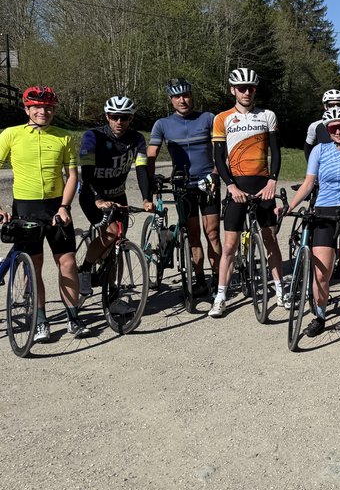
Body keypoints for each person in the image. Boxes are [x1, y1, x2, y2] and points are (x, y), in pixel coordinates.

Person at [0, 86, 81, 340]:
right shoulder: (10, 135)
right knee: (34, 266)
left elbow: (72, 176)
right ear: (27, 109)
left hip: (56, 207)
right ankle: (41, 320)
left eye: (48, 107)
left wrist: (65, 206)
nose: (43, 111)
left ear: (53, 110)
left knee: (67, 263)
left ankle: (73, 317)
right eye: (37, 107)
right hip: (25, 208)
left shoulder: (64, 137)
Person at [284, 108, 340, 336]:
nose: (339, 131)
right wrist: (289, 206)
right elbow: (308, 184)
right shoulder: (319, 151)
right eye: (334, 128)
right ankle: (320, 315)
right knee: (321, 271)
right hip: (324, 211)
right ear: (328, 130)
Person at [210, 68, 285, 318]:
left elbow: (275, 152)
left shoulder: (267, 115)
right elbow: (219, 157)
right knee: (230, 245)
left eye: (250, 88)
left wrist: (272, 181)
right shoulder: (222, 118)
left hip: (263, 185)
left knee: (270, 240)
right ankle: (220, 296)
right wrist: (230, 186)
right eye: (241, 88)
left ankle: (280, 289)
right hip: (236, 187)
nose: (246, 92)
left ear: (255, 90)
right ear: (233, 90)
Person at [146, 78, 221, 289]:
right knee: (193, 234)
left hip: (208, 182)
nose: (183, 100)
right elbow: (151, 156)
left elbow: (220, 150)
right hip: (183, 184)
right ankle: (199, 280)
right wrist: (151, 180)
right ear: (171, 100)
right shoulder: (162, 124)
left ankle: (217, 280)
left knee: (213, 233)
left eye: (186, 95)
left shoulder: (208, 118)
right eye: (177, 96)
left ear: (192, 96)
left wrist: (216, 173)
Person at [77, 96, 153, 292]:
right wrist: (98, 198)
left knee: (118, 244)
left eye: (124, 117)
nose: (119, 122)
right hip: (92, 195)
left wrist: (146, 199)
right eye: (114, 116)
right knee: (111, 234)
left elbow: (142, 169)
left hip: (118, 196)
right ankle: (84, 270)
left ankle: (113, 293)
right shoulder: (92, 136)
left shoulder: (137, 139)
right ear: (107, 116)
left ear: (131, 118)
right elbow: (86, 172)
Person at [304, 88, 340, 159]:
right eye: (331, 105)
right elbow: (308, 148)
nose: (335, 108)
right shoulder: (315, 126)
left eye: (338, 104)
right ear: (325, 106)